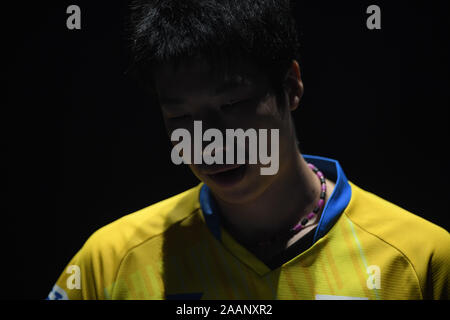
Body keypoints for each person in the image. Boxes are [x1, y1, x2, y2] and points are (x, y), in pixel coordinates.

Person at [47, 0, 449, 300]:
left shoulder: (422, 259)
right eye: (180, 117)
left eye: (230, 106)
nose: (207, 141)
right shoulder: (110, 261)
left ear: (290, 86)